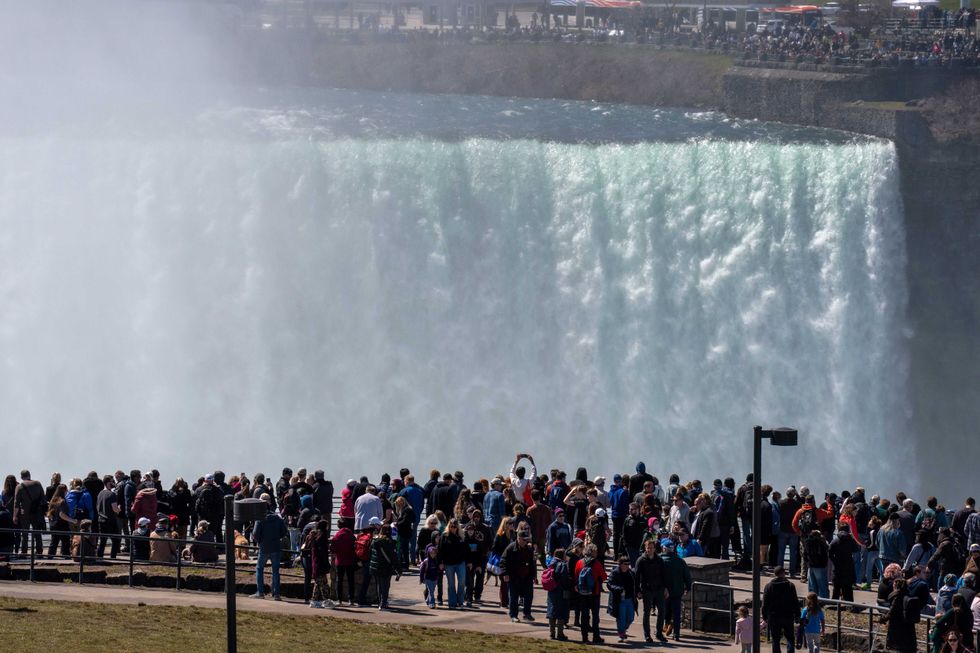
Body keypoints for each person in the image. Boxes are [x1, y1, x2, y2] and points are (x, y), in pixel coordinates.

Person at [250, 494, 287, 600]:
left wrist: (260, 540)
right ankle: (276, 594)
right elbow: (284, 532)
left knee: (259, 569)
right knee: (275, 571)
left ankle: (260, 593)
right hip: (275, 547)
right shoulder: (277, 517)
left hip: (264, 548)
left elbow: (256, 535)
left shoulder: (260, 518)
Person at [501, 525, 537, 623]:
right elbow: (503, 561)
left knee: (529, 596)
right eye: (524, 540)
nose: (526, 542)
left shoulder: (529, 550)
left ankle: (527, 614)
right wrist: (505, 574)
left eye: (527, 540)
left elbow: (532, 564)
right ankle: (513, 615)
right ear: (519, 538)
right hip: (514, 577)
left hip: (527, 577)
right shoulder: (511, 548)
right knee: (514, 597)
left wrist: (534, 576)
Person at [635, 538, 667, 644]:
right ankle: (647, 635)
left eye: (652, 548)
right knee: (647, 612)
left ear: (654, 549)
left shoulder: (659, 560)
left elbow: (664, 575)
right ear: (645, 548)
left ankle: (659, 633)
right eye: (648, 548)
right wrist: (638, 591)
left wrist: (666, 588)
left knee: (662, 611)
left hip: (659, 589)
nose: (650, 550)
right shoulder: (641, 560)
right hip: (647, 589)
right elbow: (636, 577)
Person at [661, 538, 692, 641]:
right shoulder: (680, 561)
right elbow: (687, 576)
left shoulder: (660, 560)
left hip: (664, 591)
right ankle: (676, 634)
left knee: (664, 610)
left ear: (664, 548)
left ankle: (666, 625)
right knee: (676, 612)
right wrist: (688, 586)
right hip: (677, 591)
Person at [575, 542, 607, 644]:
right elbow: (604, 577)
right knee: (595, 616)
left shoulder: (580, 562)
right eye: (596, 551)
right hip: (595, 593)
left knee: (584, 616)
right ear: (592, 552)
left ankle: (584, 638)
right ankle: (596, 637)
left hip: (583, 593)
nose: (597, 553)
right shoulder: (597, 563)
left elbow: (576, 575)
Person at [762, 566, 799, 653]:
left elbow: (765, 603)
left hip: (774, 616)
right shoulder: (790, 586)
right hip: (788, 615)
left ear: (775, 574)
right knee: (790, 637)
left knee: (775, 639)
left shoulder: (769, 586)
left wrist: (764, 616)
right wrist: (797, 615)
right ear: (783, 573)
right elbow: (795, 602)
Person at [12, 470, 46, 556]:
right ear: (29, 475)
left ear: (21, 477)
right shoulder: (38, 484)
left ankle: (24, 552)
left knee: (25, 534)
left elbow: (16, 503)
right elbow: (43, 499)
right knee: (37, 533)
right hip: (37, 513)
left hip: (25, 514)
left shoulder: (19, 487)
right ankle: (39, 551)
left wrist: (15, 516)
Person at [437, 518, 468, 609]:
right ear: (449, 526)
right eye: (451, 526)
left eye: (455, 526)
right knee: (451, 583)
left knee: (462, 581)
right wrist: (440, 562)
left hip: (460, 562)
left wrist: (467, 561)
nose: (453, 528)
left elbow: (466, 550)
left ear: (457, 527)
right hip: (448, 563)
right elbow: (440, 550)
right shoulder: (444, 536)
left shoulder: (462, 536)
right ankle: (452, 602)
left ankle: (460, 601)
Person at [370, 521, 401, 611]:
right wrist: (399, 570)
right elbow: (393, 557)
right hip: (386, 567)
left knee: (379, 586)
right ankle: (383, 603)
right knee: (385, 586)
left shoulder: (374, 541)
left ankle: (381, 603)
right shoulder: (389, 542)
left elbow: (371, 553)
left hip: (376, 567)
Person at [607, 555, 638, 643]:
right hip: (620, 600)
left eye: (628, 564)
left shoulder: (631, 573)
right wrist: (619, 589)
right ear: (620, 564)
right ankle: (621, 634)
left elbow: (635, 585)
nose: (627, 566)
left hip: (630, 599)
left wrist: (638, 592)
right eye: (625, 564)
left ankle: (623, 629)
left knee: (631, 618)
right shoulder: (615, 573)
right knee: (621, 618)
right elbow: (609, 585)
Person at [306, 520, 335, 609]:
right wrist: (327, 564)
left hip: (316, 563)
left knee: (318, 584)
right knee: (324, 584)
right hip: (320, 564)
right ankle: (326, 601)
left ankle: (314, 601)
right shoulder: (322, 538)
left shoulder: (316, 537)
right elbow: (323, 553)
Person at [546, 547, 572, 640]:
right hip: (561, 591)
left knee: (552, 612)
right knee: (561, 613)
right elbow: (565, 579)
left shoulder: (551, 563)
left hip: (551, 590)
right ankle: (560, 634)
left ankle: (552, 634)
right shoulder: (563, 565)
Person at [330, 519, 357, 606]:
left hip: (340, 560)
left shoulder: (337, 536)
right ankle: (351, 600)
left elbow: (333, 549)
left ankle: (340, 600)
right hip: (350, 560)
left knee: (339, 580)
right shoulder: (351, 535)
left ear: (338, 526)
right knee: (351, 580)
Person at [829, 523, 859, 603]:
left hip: (838, 566)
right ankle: (850, 606)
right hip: (848, 566)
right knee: (848, 589)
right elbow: (856, 549)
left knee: (836, 590)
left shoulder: (835, 540)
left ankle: (834, 606)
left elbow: (830, 553)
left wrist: (835, 560)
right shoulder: (850, 539)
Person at [804, 528, 830, 599]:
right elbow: (825, 553)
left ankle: (812, 601)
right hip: (820, 566)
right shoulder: (821, 542)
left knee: (812, 586)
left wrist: (808, 562)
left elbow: (805, 555)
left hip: (811, 566)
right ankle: (824, 601)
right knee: (822, 586)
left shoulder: (807, 542)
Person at [419, 544, 443, 609]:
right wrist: (421, 579)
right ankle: (432, 603)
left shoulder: (436, 561)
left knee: (432, 590)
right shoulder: (426, 561)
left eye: (434, 553)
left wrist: (440, 569)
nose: (433, 554)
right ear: (428, 553)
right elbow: (422, 571)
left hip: (435, 578)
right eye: (431, 553)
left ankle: (427, 600)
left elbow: (438, 569)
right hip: (428, 578)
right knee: (431, 590)